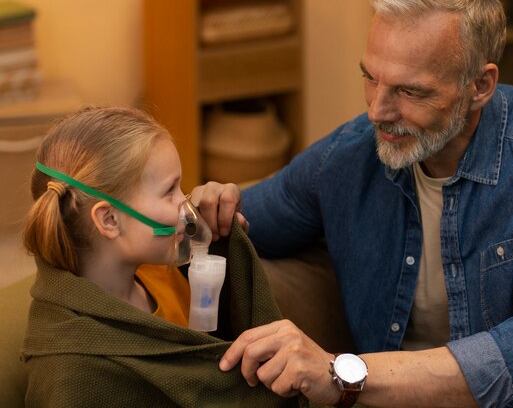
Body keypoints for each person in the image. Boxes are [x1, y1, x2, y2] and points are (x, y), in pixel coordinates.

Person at [198, 0, 513, 407]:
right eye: (370, 77)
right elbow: (236, 221)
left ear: (480, 86)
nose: (378, 111)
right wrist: (198, 210)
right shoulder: (348, 158)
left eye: (410, 91)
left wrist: (344, 375)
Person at [21, 106, 306, 408]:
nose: (186, 202)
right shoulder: (72, 372)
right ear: (109, 220)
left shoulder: (162, 276)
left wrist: (221, 242)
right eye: (169, 190)